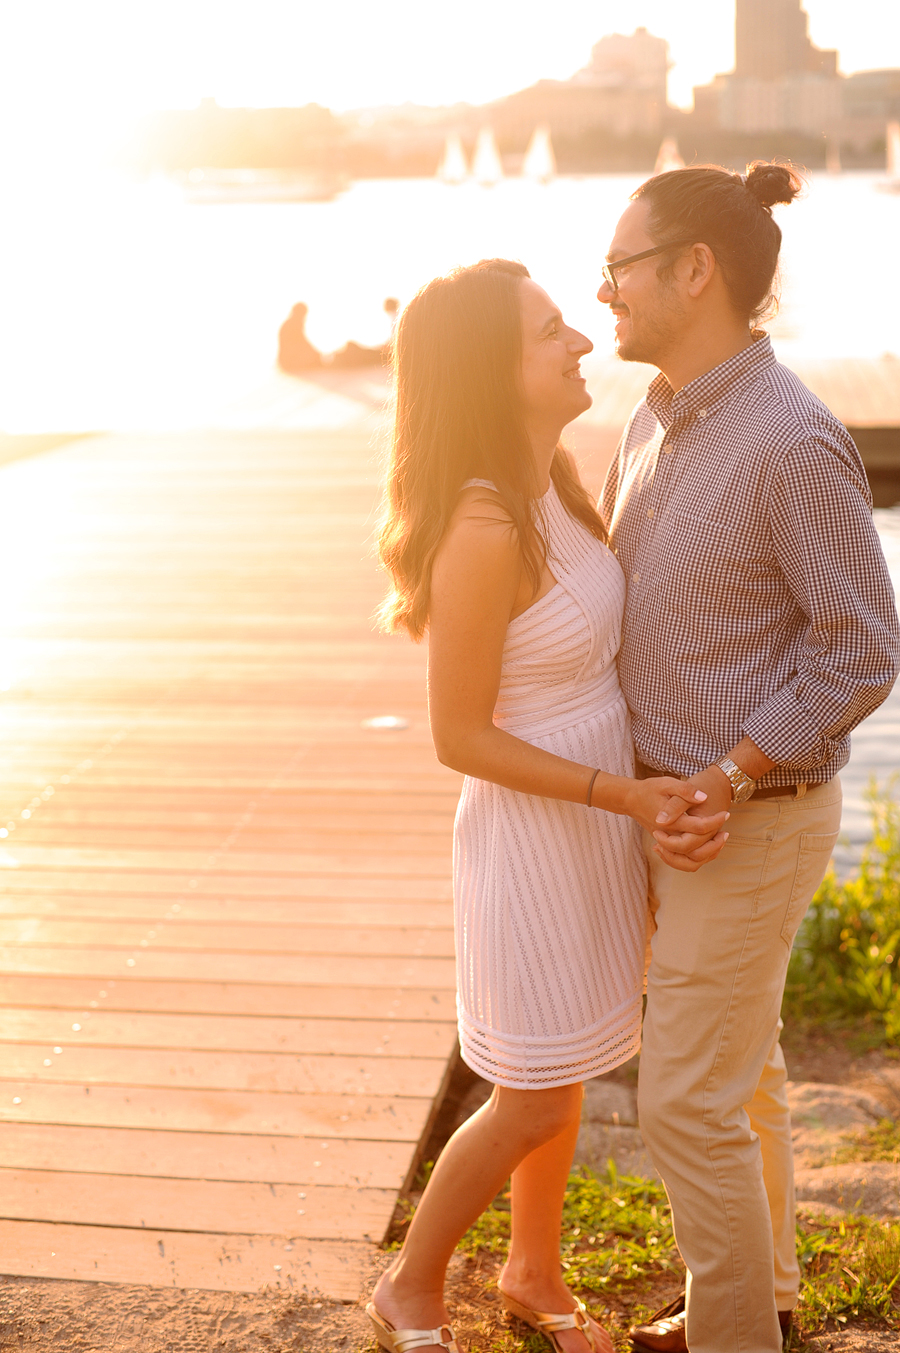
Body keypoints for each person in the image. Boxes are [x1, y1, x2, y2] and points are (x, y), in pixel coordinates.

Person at [368, 259, 729, 1353]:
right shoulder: (481, 527)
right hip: (534, 837)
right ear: (490, 372)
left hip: (595, 829)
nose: (582, 341)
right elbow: (458, 736)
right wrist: (620, 792)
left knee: (565, 1071)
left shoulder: (556, 483)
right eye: (551, 331)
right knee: (528, 1089)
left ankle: (532, 1270)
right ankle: (410, 1287)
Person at [596, 163, 900, 1353]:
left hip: (750, 819)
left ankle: (736, 1342)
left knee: (682, 1101)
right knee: (747, 1077)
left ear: (692, 269)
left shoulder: (792, 440)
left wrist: (721, 775)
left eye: (619, 266)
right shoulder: (657, 411)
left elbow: (864, 651)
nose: (606, 291)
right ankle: (759, 1298)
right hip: (685, 821)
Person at [276, 302, 322, 372]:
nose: (304, 317)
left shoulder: (291, 324)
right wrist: (315, 354)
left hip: (286, 361)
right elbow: (301, 344)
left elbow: (303, 343)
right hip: (288, 361)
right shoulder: (291, 325)